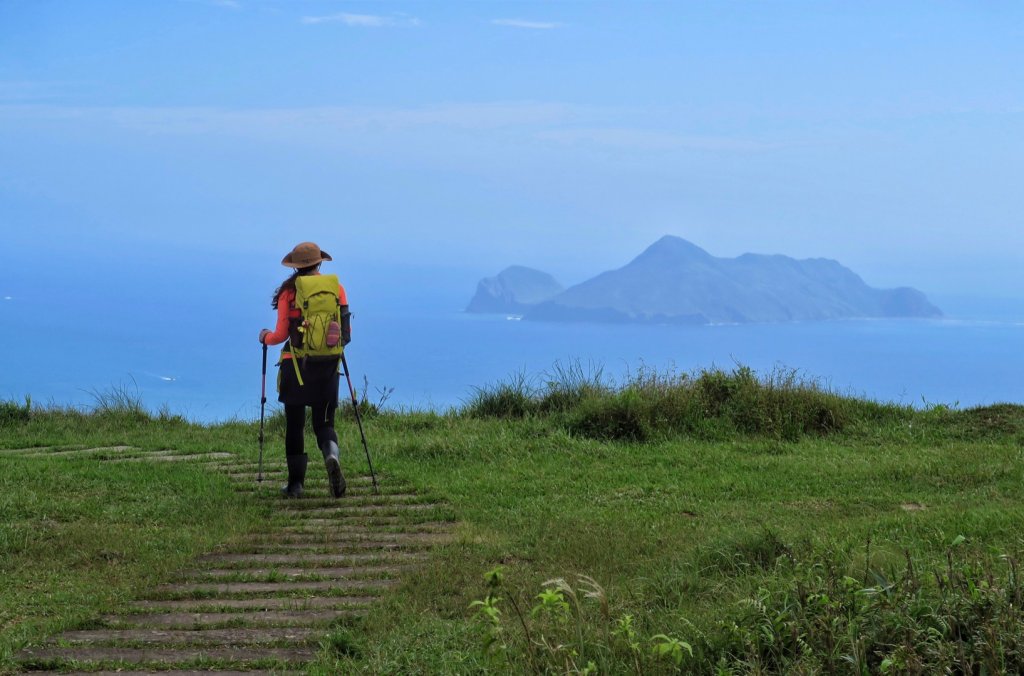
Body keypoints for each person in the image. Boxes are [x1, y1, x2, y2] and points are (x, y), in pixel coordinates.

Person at [258, 241, 349, 499]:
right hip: (328, 366)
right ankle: (331, 455)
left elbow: (280, 335)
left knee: (295, 425)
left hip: (296, 365)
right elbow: (344, 333)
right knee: (324, 422)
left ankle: (296, 485)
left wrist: (264, 337)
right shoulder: (337, 289)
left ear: (296, 266)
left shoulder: (290, 292)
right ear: (319, 262)